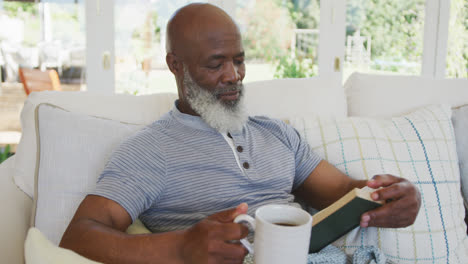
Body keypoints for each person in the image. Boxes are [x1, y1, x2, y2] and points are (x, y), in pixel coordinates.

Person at [60, 3, 421, 264]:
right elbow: (79, 236)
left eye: (239, 60)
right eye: (216, 64)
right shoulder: (151, 149)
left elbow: (343, 192)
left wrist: (391, 196)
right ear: (175, 65)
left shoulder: (277, 133)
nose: (233, 75)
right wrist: (180, 248)